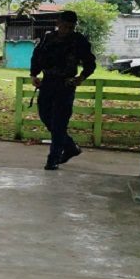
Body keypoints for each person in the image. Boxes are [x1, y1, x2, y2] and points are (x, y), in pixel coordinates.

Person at [30, 10, 96, 170]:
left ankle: (53, 159)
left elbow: (90, 63)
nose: (67, 30)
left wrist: (80, 78)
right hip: (47, 83)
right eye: (65, 26)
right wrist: (34, 75)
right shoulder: (48, 38)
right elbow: (37, 56)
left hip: (65, 85)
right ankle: (71, 147)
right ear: (58, 24)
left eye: (71, 27)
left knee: (59, 123)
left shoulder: (78, 41)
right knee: (46, 117)